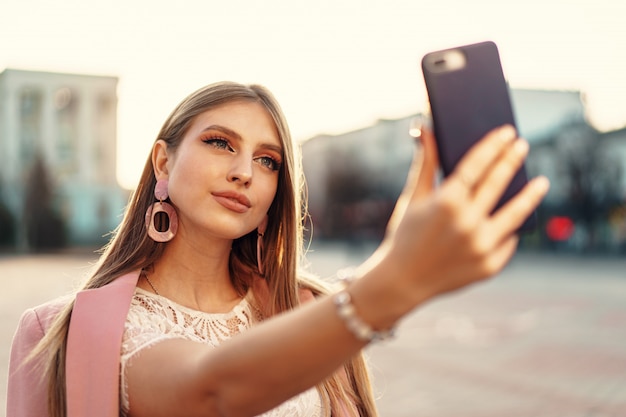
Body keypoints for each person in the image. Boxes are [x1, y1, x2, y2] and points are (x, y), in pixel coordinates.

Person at [6, 81, 549, 417]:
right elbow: (214, 392)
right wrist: (392, 284)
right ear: (163, 163)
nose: (244, 172)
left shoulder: (309, 308)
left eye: (268, 160)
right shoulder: (71, 330)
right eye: (220, 143)